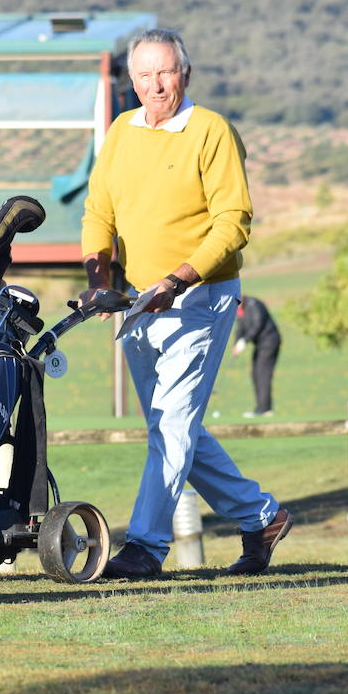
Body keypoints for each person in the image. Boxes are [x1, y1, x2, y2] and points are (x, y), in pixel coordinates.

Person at [79, 28, 292, 578]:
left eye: (166, 72)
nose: (156, 84)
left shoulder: (211, 131)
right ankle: (260, 516)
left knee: (172, 425)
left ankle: (146, 547)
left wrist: (179, 278)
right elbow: (98, 209)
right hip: (138, 301)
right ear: (132, 81)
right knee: (175, 429)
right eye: (145, 74)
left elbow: (233, 221)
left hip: (199, 295)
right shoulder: (122, 131)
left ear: (186, 74)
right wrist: (98, 274)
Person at [232, 296, 281, 417]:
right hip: (260, 344)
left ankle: (265, 409)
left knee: (262, 374)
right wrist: (237, 343)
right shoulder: (240, 309)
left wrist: (245, 340)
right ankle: (261, 408)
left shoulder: (254, 305)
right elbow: (240, 328)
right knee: (255, 373)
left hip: (270, 342)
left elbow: (257, 324)